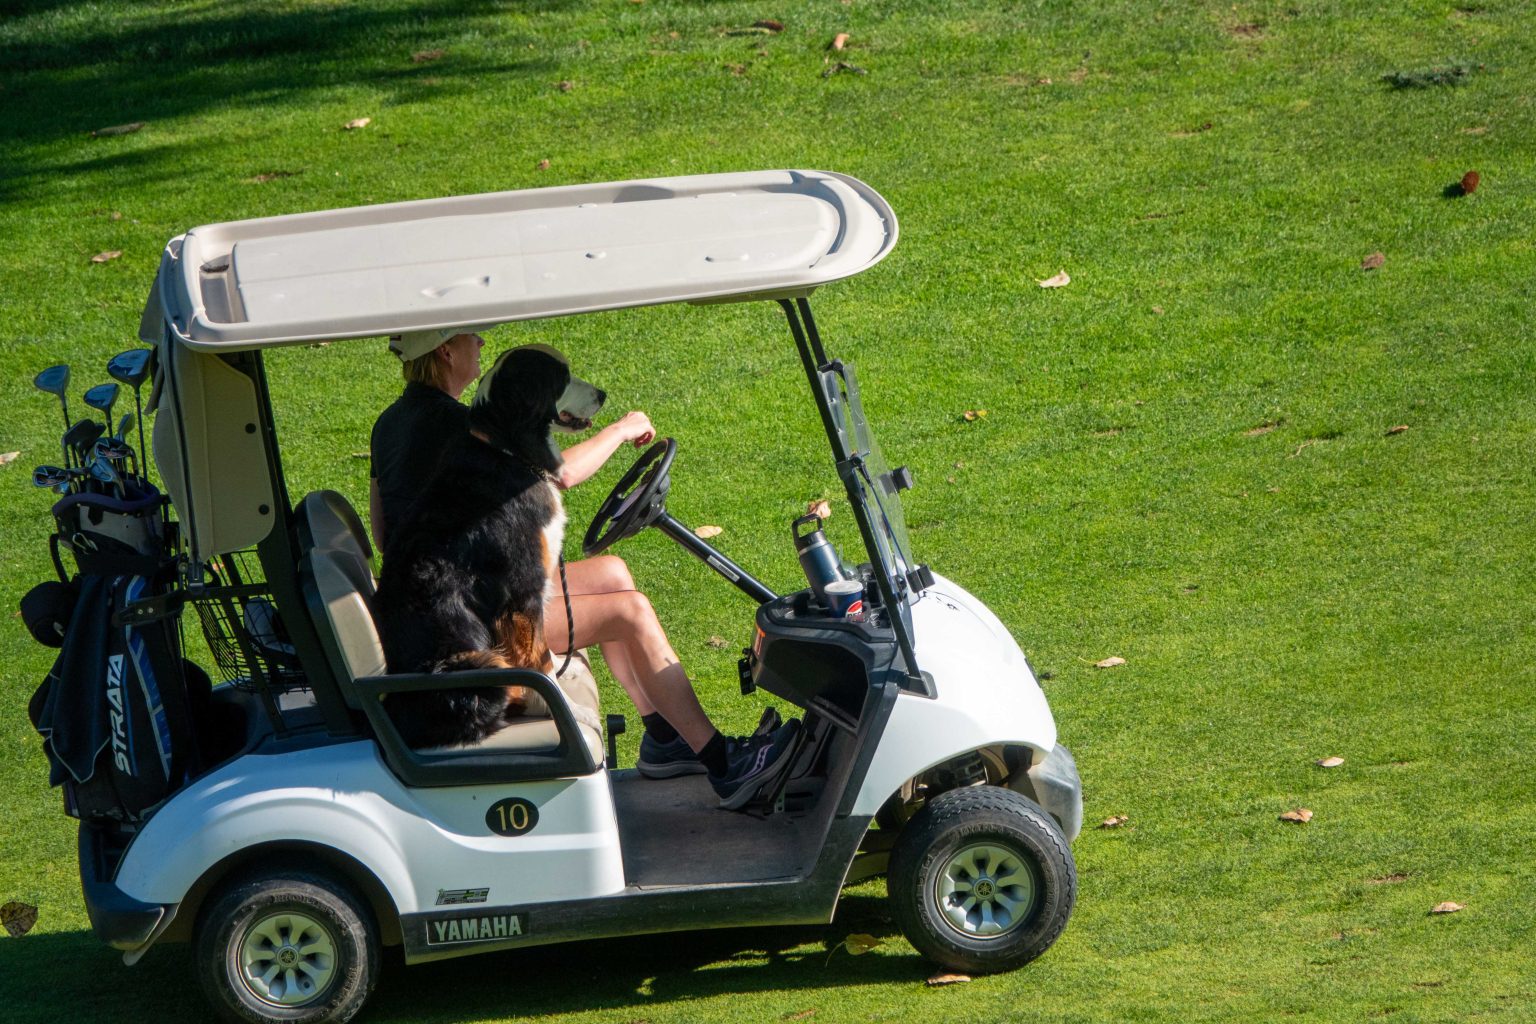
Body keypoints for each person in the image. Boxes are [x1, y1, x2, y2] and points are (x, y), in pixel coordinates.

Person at [370, 327, 799, 808]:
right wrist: (619, 429)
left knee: (613, 572)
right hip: (475, 623)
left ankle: (663, 736)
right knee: (629, 611)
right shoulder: (459, 423)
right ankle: (724, 763)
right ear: (446, 351)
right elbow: (560, 473)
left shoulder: (389, 423)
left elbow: (384, 535)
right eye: (472, 337)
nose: (482, 345)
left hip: (454, 587)